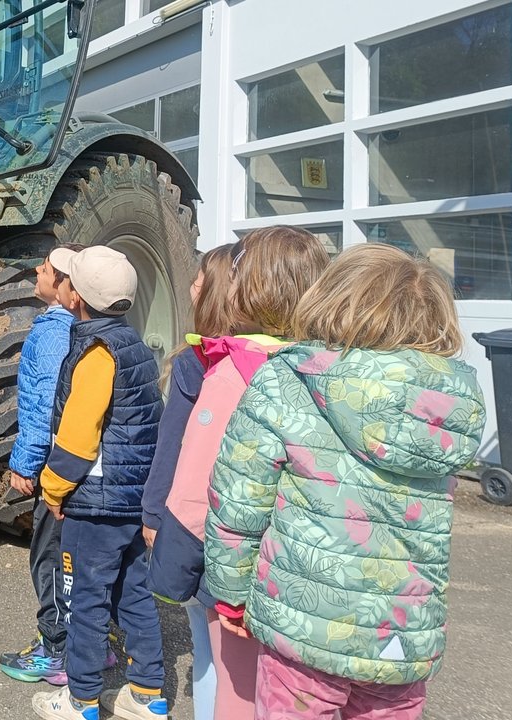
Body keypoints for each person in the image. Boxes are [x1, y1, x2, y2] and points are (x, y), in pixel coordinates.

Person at [204, 243, 486, 719]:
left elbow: (239, 500)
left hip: (305, 629)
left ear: (332, 298)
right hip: (402, 634)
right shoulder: (447, 407)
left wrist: (231, 592)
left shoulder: (288, 381)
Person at [146, 225, 328, 720]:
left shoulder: (230, 367)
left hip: (234, 569)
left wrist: (172, 560)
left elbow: (194, 482)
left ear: (253, 287)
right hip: (309, 568)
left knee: (230, 679)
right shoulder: (331, 368)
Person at [30, 246, 167, 720]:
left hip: (94, 502)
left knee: (82, 600)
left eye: (67, 279)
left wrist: (53, 487)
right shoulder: (136, 348)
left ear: (76, 296)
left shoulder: (96, 353)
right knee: (134, 593)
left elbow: (78, 438)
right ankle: (148, 694)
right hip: (131, 500)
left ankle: (81, 698)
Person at [139, 243, 237, 720]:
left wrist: (154, 514)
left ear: (216, 294)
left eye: (199, 279)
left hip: (201, 524)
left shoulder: (196, 362)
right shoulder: (283, 360)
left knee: (207, 644)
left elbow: (172, 445)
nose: (191, 286)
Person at [0, 245, 81, 685]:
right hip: (84, 464)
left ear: (66, 284)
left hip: (54, 462)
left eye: (47, 268)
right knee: (79, 558)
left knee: (50, 559)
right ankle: (91, 644)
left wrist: (25, 464)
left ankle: (55, 651)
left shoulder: (52, 333)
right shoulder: (89, 329)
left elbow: (43, 406)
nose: (37, 269)